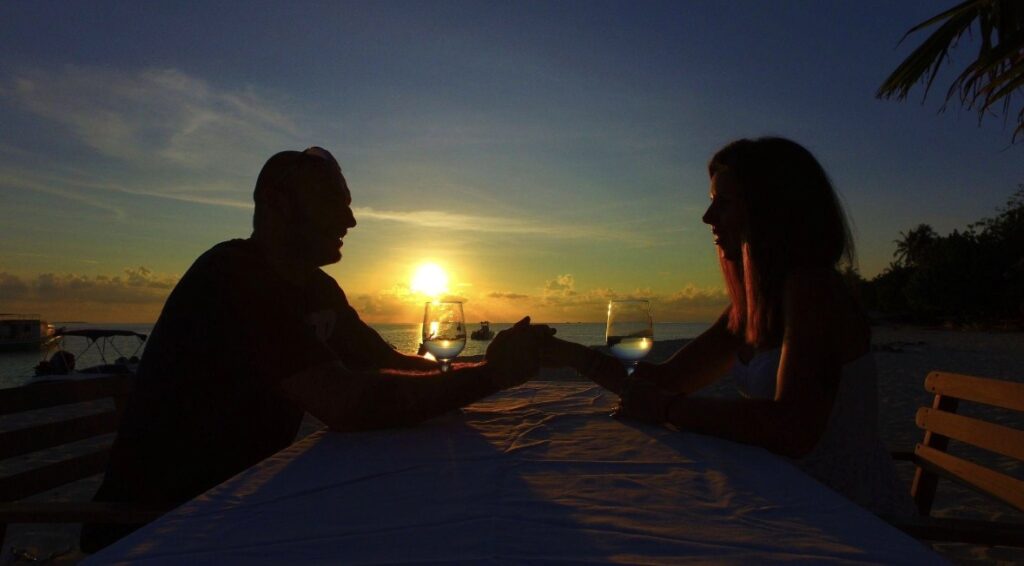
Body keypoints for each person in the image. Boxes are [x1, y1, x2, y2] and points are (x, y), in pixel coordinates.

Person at [81, 147, 545, 552]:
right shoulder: (231, 279)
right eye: (331, 203)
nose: (350, 220)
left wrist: (484, 365)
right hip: (164, 524)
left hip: (248, 501)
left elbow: (386, 364)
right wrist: (491, 376)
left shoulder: (316, 287)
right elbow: (349, 403)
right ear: (276, 205)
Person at [540, 137, 910, 516]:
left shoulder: (814, 290)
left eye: (724, 202)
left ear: (771, 212)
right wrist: (566, 354)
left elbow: (793, 429)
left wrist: (668, 409)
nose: (707, 217)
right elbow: (666, 380)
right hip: (789, 495)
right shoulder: (752, 307)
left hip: (851, 515)